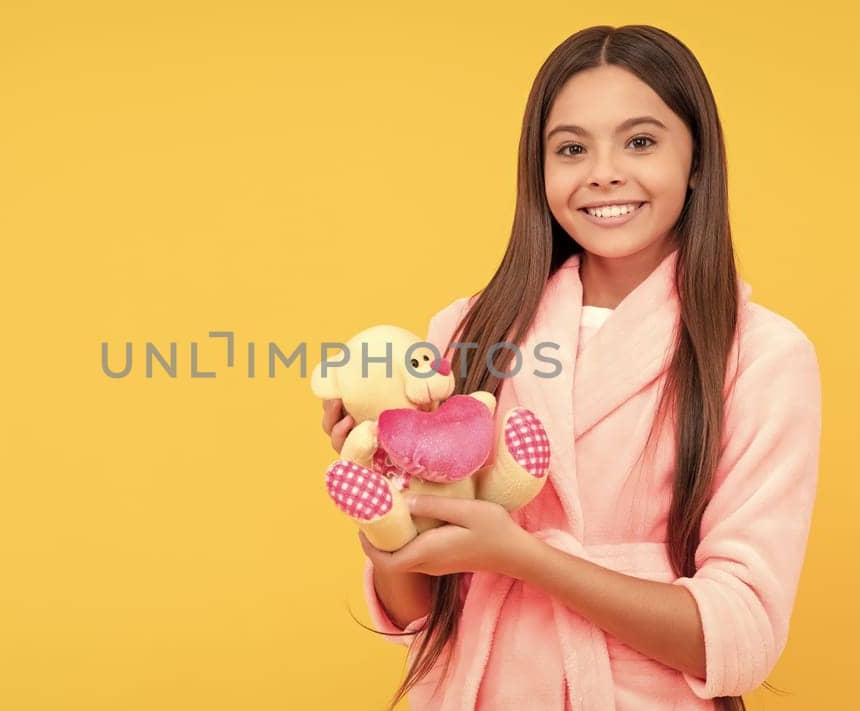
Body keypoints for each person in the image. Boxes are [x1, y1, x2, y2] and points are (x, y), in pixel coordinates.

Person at [318, 25, 823, 711]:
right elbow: (417, 611)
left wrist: (523, 559)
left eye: (640, 141)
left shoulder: (762, 357)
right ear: (540, 168)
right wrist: (386, 496)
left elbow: (740, 635)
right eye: (571, 149)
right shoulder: (468, 332)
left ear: (697, 157)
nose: (604, 172)